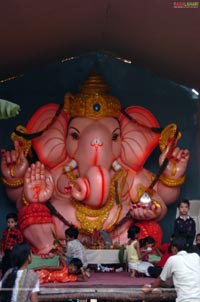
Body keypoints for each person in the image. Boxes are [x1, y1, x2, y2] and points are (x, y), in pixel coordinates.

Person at [142, 237, 200, 302]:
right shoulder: (196, 256)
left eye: (171, 249)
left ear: (174, 249)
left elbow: (160, 279)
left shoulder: (172, 259)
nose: (171, 251)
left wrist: (150, 288)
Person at [0, 212, 24, 277]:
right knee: (4, 265)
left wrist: (15, 248)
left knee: (12, 266)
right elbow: (2, 242)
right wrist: (2, 251)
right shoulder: (5, 231)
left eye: (12, 222)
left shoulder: (17, 232)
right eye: (8, 222)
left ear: (16, 223)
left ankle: (12, 278)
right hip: (6, 251)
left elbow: (20, 241)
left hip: (13, 252)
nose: (10, 224)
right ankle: (4, 279)